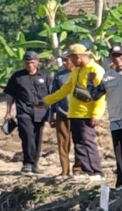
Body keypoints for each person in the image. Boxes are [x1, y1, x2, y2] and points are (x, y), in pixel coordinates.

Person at [41, 43, 106, 180]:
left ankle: (97, 172)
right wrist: (47, 100)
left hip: (87, 113)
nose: (69, 61)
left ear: (78, 56)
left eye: (71, 58)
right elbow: (66, 88)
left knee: (88, 142)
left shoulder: (94, 70)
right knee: (79, 144)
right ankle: (87, 171)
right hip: (75, 113)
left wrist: (96, 114)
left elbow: (100, 94)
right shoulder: (77, 70)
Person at [4, 51, 52, 174]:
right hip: (23, 110)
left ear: (37, 62)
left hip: (41, 111)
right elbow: (10, 95)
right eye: (27, 63)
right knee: (27, 135)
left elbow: (52, 94)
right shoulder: (17, 77)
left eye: (32, 62)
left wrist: (53, 112)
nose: (30, 65)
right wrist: (8, 112)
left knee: (37, 137)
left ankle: (34, 164)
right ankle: (27, 163)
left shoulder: (45, 77)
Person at [101, 46, 122, 187]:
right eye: (114, 56)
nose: (117, 58)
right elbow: (95, 95)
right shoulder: (107, 76)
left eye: (120, 55)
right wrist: (89, 82)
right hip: (115, 118)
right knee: (120, 153)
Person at [48, 51, 80, 178]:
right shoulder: (59, 76)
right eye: (63, 60)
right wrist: (52, 113)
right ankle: (65, 170)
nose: (65, 63)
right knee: (63, 142)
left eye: (67, 60)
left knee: (79, 141)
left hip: (78, 114)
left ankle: (78, 168)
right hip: (62, 112)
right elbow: (54, 95)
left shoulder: (81, 72)